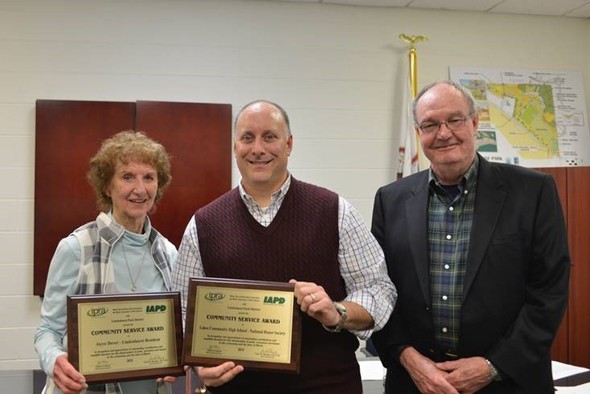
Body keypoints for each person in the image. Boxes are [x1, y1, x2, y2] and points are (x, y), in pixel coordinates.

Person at [171, 99, 397, 393]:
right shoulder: (203, 224)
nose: (258, 149)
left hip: (327, 386)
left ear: (288, 144)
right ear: (235, 146)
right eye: (247, 138)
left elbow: (380, 289)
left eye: (270, 137)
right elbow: (184, 315)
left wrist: (337, 311)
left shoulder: (334, 211)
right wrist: (200, 366)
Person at [370, 80, 571, 393]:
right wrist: (407, 357)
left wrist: (493, 365)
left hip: (508, 382)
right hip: (418, 383)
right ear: (418, 132)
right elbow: (378, 289)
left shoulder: (533, 192)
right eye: (430, 124)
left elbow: (549, 291)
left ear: (475, 122)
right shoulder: (390, 200)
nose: (444, 133)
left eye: (455, 120)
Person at [34, 131, 178, 394]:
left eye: (149, 177)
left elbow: (173, 328)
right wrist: (55, 361)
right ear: (108, 187)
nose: (140, 188)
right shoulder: (76, 248)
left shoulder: (168, 253)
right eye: (127, 177)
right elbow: (47, 330)